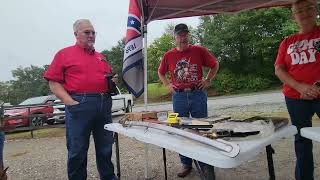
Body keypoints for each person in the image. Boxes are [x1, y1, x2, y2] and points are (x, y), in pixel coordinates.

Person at [44, 19, 117, 180]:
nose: (91, 35)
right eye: (87, 32)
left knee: (106, 147)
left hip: (103, 104)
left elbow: (106, 80)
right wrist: (68, 101)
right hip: (79, 105)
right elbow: (53, 81)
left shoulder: (101, 57)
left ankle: (108, 177)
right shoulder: (64, 54)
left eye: (93, 32)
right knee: (77, 150)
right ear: (76, 34)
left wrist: (112, 82)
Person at [158, 23, 219, 178]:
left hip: (197, 94)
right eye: (180, 35)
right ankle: (186, 164)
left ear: (188, 36)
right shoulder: (168, 55)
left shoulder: (199, 50)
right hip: (178, 96)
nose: (183, 38)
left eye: (185, 34)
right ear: (175, 37)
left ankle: (206, 164)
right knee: (181, 129)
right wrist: (167, 84)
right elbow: (161, 72)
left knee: (202, 127)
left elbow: (215, 64)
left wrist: (207, 80)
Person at [274, 0, 320, 180]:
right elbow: (279, 69)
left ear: (316, 10)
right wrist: (300, 86)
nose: (305, 13)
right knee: (301, 141)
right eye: (299, 11)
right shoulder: (287, 41)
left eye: (309, 8)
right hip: (295, 98)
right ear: (294, 17)